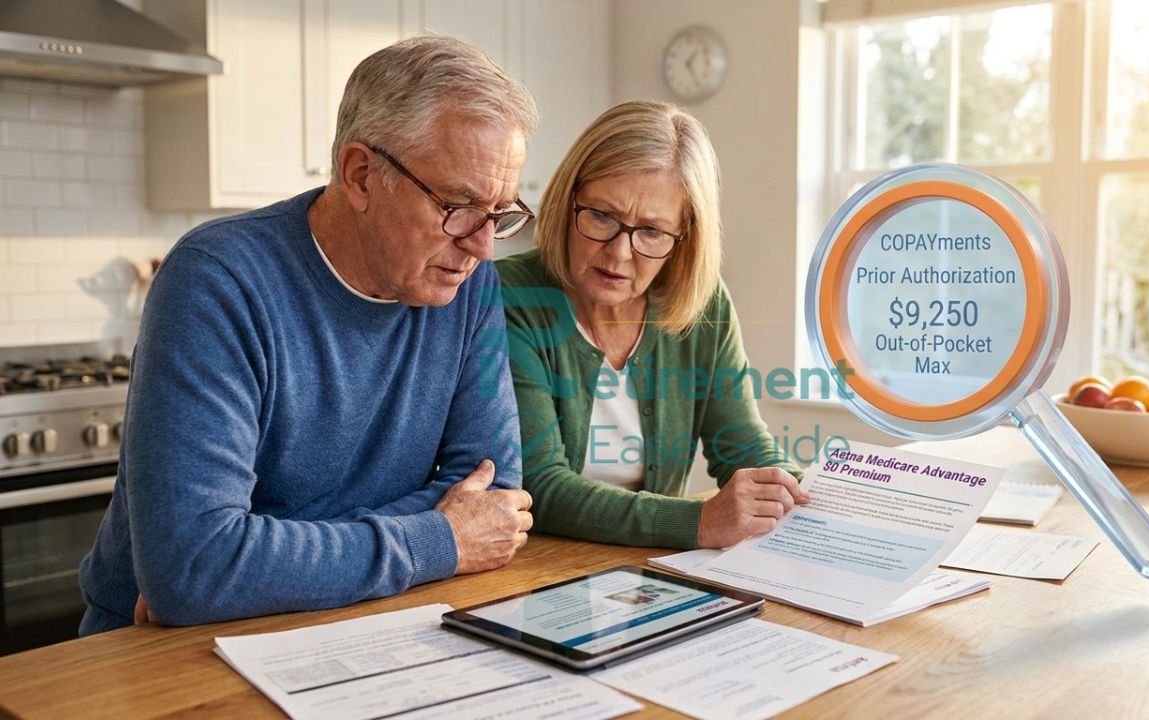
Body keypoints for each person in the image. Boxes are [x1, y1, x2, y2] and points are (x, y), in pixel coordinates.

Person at [79, 35, 538, 634]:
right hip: (162, 655)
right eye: (458, 205)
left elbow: (493, 498)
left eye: (500, 214)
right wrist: (439, 538)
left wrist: (260, 566)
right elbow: (194, 569)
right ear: (361, 175)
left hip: (372, 625)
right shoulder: (217, 281)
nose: (481, 245)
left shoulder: (467, 287)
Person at [496, 100, 807, 551]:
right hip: (539, 570)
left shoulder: (702, 301)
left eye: (652, 232)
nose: (619, 253)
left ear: (684, 238)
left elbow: (742, 450)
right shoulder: (511, 296)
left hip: (649, 568)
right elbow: (540, 485)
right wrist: (698, 521)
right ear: (568, 201)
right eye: (602, 216)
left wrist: (813, 495)